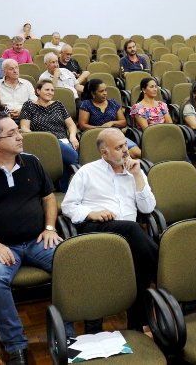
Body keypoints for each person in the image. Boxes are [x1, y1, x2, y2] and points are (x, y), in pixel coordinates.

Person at [0, 113, 63, 365]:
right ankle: (15, 346)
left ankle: (68, 333)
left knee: (71, 263)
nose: (20, 136)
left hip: (39, 240)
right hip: (2, 245)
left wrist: (50, 227)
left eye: (18, 131)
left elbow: (48, 198)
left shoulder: (32, 162)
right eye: (12, 134)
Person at [62, 128, 158, 332]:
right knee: (134, 230)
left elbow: (147, 208)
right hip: (97, 230)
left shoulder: (135, 171)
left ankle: (136, 326)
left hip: (129, 236)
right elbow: (68, 206)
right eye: (119, 147)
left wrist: (137, 176)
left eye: (125, 145)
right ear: (104, 153)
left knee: (140, 264)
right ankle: (166, 273)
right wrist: (91, 213)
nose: (125, 150)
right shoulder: (87, 172)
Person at [20, 79, 78, 192]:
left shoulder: (58, 105)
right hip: (43, 141)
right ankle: (65, 187)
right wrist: (41, 137)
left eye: (52, 90)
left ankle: (61, 188)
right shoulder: (29, 105)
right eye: (47, 89)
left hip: (63, 140)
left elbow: (71, 125)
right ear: (38, 91)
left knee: (67, 159)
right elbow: (24, 127)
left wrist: (73, 136)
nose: (50, 92)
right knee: (73, 158)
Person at [78, 78, 141, 158]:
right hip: (96, 136)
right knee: (120, 156)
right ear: (93, 93)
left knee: (137, 153)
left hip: (115, 135)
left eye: (105, 90)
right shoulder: (86, 104)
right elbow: (83, 125)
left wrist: (112, 122)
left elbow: (123, 122)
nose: (105, 93)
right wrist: (100, 128)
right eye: (101, 91)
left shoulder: (113, 103)